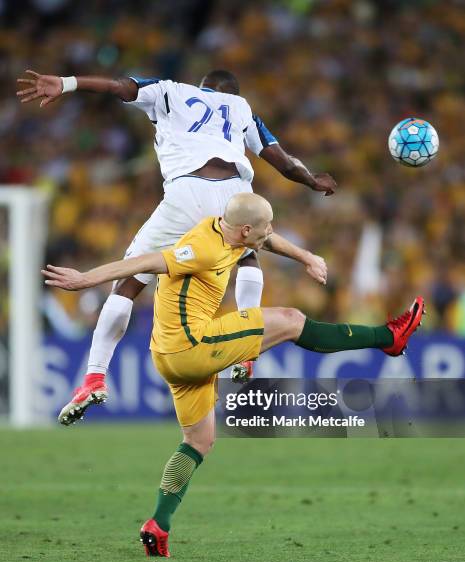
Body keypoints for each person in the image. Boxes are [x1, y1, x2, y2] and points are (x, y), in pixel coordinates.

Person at [42, 192, 424, 558]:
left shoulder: (231, 232)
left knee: (199, 440)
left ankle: (158, 524)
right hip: (192, 346)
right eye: (266, 226)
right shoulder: (202, 248)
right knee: (291, 320)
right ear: (245, 231)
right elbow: (141, 263)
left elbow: (269, 241)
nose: (271, 230)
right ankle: (388, 337)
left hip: (169, 355)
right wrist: (85, 279)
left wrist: (305, 256)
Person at [17, 67, 337, 413]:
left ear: (202, 86)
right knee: (248, 252)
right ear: (232, 91)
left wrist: (66, 84)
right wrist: (312, 181)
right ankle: (247, 354)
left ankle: (94, 377)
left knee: (128, 284)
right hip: (235, 190)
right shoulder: (242, 108)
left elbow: (119, 87)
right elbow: (285, 163)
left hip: (188, 190)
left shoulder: (171, 90)